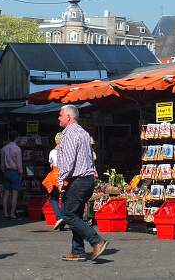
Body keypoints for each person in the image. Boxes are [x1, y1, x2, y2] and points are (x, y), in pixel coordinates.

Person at [57, 105, 108, 261]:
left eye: (60, 115)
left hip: (78, 180)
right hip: (86, 179)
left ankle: (97, 241)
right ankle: (77, 250)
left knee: (68, 214)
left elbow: (69, 160)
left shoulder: (71, 133)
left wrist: (61, 179)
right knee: (76, 214)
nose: (58, 118)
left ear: (69, 117)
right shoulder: (83, 133)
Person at [42, 132, 64, 229]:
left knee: (53, 198)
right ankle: (63, 219)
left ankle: (59, 217)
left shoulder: (52, 152)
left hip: (54, 175)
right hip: (64, 175)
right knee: (64, 198)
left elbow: (51, 164)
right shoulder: (66, 151)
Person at [0, 131, 23, 219]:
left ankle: (5, 213)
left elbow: (2, 163)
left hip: (6, 172)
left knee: (6, 193)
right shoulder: (17, 149)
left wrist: (3, 170)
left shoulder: (4, 148)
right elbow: (19, 164)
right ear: (16, 137)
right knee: (14, 193)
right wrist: (20, 173)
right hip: (15, 172)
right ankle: (12, 213)